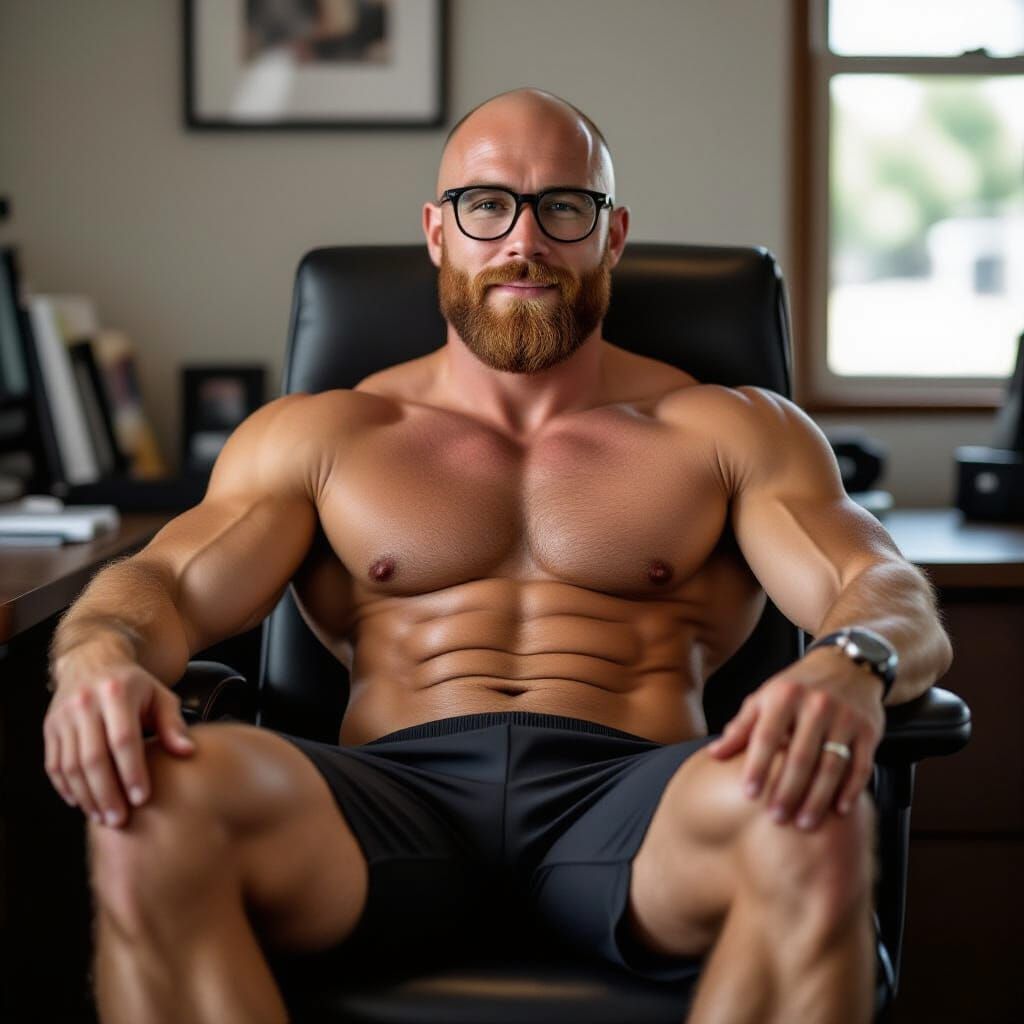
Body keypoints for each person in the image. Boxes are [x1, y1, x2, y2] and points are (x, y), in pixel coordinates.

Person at [43, 88, 952, 1024]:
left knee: (806, 816)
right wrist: (98, 663)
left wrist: (852, 666)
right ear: (438, 233)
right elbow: (160, 585)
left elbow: (876, 584)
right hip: (383, 798)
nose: (525, 241)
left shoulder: (727, 429)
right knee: (157, 809)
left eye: (565, 205)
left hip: (636, 803)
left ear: (614, 234)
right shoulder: (323, 435)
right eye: (488, 206)